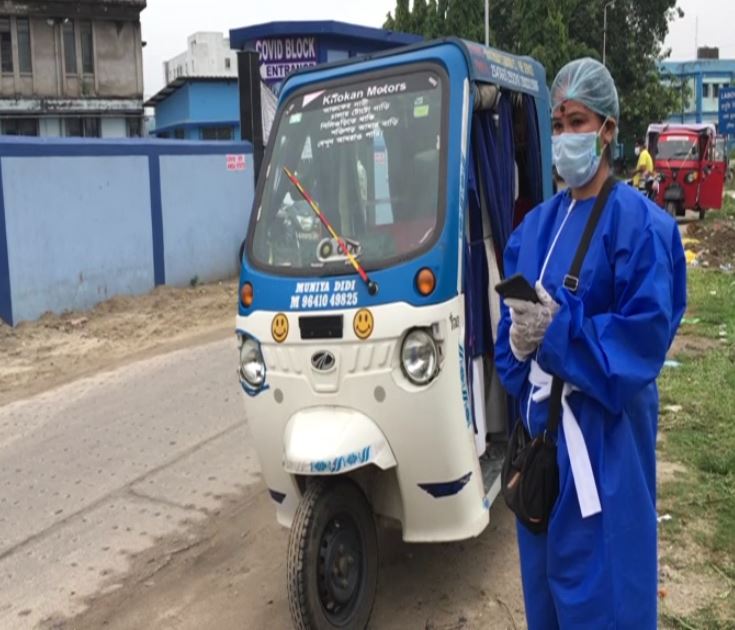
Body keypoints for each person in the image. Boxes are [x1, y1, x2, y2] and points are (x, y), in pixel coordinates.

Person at [494, 58, 686, 629]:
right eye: (556, 124)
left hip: (605, 456)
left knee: (609, 602)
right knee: (546, 601)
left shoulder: (644, 227)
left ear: (607, 129)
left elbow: (643, 338)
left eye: (576, 121)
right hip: (542, 455)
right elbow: (512, 348)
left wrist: (560, 335)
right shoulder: (534, 229)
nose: (562, 137)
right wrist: (521, 344)